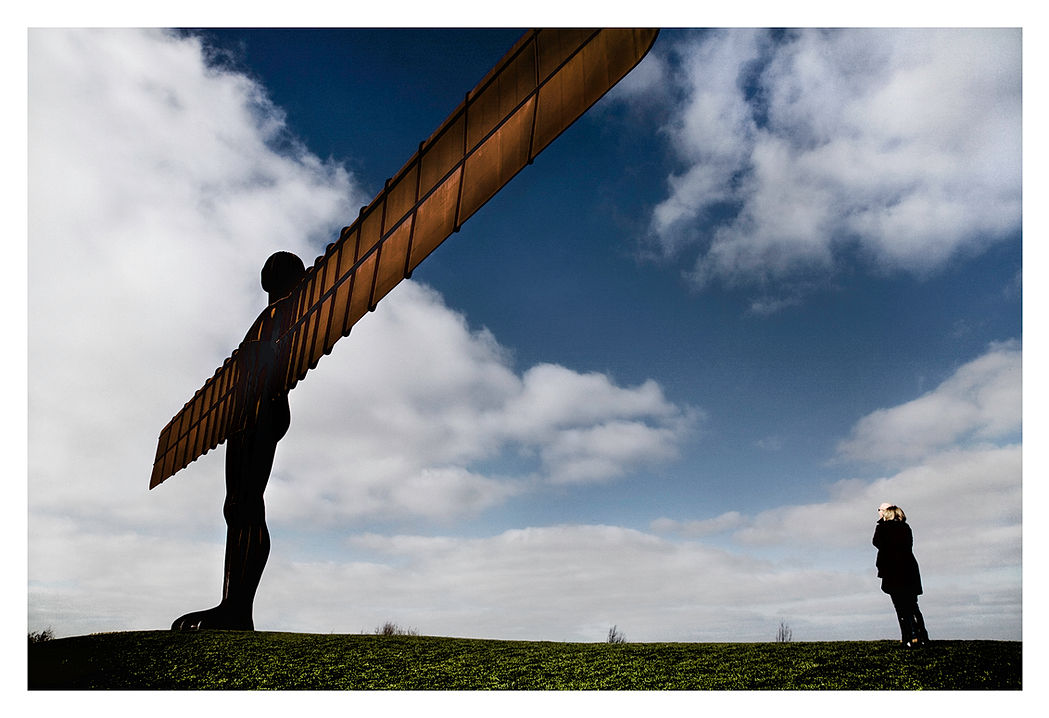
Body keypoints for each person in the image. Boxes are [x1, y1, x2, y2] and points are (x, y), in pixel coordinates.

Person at [172, 251, 306, 630]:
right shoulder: (266, 319)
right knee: (236, 506)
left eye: (280, 267)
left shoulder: (289, 314)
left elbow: (272, 364)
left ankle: (237, 608)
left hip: (264, 411)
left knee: (247, 504)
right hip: (244, 417)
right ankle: (230, 604)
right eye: (272, 266)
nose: (271, 271)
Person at [873, 503, 929, 647]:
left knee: (900, 606)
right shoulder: (906, 527)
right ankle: (921, 636)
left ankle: (908, 638)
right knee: (912, 605)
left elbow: (877, 543)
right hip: (909, 569)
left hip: (893, 571)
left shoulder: (883, 528)